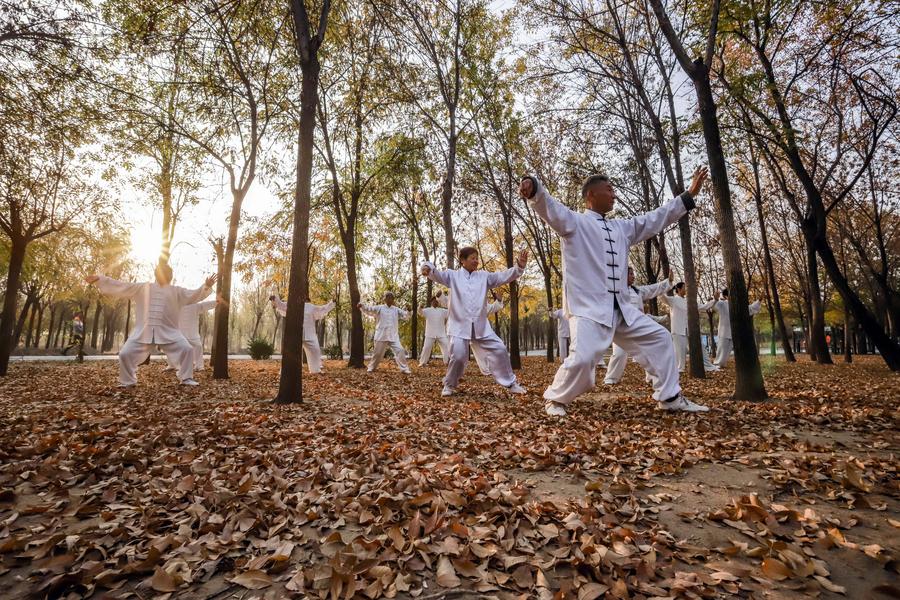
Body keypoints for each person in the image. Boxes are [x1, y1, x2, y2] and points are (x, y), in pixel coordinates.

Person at [520, 167, 710, 416]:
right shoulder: (575, 222)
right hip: (588, 310)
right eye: (609, 189)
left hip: (621, 311)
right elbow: (549, 207)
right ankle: (555, 399)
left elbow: (655, 219)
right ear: (591, 194)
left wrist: (688, 196)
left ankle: (670, 397)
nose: (614, 195)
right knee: (584, 357)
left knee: (660, 339)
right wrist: (534, 187)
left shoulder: (622, 228)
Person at [85, 264, 216, 387]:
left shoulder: (176, 291)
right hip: (143, 332)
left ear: (170, 276)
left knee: (187, 349)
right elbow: (122, 286)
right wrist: (101, 279)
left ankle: (186, 378)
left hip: (169, 332)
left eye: (166, 274)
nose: (164, 276)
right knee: (125, 354)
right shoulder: (143, 288)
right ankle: (128, 381)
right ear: (156, 274)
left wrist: (205, 286)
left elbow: (193, 294)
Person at [421, 247, 528, 396]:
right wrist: (427, 267)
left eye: (477, 258)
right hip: (459, 326)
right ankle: (449, 385)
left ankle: (510, 383)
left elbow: (502, 276)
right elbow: (436, 274)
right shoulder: (453, 276)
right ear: (463, 261)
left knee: (500, 349)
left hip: (480, 326)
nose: (476, 261)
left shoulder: (483, 276)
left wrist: (519, 267)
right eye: (472, 258)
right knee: (458, 356)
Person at [603, 267, 672, 385]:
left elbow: (653, 289)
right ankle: (611, 378)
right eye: (630, 274)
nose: (633, 276)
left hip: (637, 326)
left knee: (648, 351)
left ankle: (651, 377)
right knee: (619, 354)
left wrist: (668, 281)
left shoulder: (638, 291)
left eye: (633, 273)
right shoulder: (615, 291)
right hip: (621, 328)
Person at [659, 281, 720, 373]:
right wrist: (668, 283)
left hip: (690, 330)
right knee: (680, 352)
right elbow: (662, 297)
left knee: (701, 347)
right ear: (679, 289)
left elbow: (704, 306)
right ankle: (680, 369)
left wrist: (715, 300)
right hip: (678, 330)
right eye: (684, 287)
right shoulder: (673, 300)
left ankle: (708, 366)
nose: (686, 289)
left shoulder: (689, 301)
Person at [272, 294, 335, 374]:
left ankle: (315, 370)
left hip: (309, 334)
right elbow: (281, 305)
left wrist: (332, 303)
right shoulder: (294, 305)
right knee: (293, 352)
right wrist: (275, 299)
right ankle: (287, 370)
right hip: (297, 334)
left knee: (315, 351)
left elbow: (322, 308)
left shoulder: (311, 307)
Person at [699, 289, 761, 367]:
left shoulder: (739, 305)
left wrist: (759, 301)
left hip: (735, 332)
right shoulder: (722, 303)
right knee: (722, 350)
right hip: (724, 331)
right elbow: (713, 305)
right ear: (725, 296)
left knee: (733, 351)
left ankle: (727, 364)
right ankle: (718, 363)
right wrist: (715, 299)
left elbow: (750, 309)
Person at [359, 292, 411, 374]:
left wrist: (408, 311)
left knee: (400, 350)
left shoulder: (396, 309)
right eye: (388, 297)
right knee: (377, 353)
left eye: (391, 298)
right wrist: (362, 306)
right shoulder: (380, 308)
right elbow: (369, 309)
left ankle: (404, 369)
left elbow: (405, 316)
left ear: (393, 300)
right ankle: (371, 367)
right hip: (381, 335)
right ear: (385, 299)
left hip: (393, 336)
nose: (390, 299)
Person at [171, 297, 224, 371]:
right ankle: (172, 365)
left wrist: (216, 302)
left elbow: (204, 305)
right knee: (173, 348)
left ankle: (199, 366)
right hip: (180, 333)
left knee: (198, 346)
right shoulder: (177, 306)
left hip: (192, 333)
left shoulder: (195, 306)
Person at [419, 296, 450, 366]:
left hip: (441, 333)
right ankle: (423, 363)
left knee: (446, 345)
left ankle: (447, 362)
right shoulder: (427, 310)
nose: (435, 302)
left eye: (437, 301)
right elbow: (420, 312)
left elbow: (450, 313)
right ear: (431, 302)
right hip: (430, 333)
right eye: (434, 301)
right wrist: (420, 307)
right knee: (426, 347)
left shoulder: (443, 311)